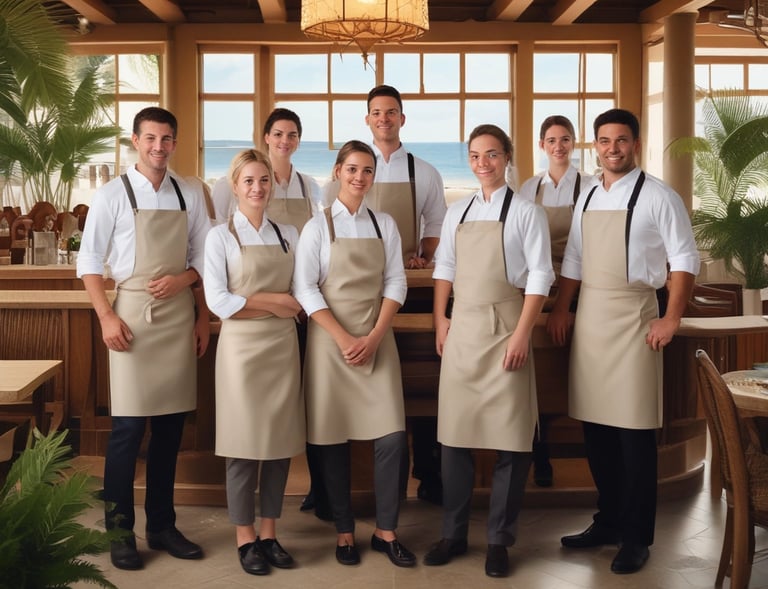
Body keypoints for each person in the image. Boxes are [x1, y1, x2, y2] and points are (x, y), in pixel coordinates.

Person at [547, 108, 699, 575]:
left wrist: (670, 318)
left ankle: (637, 537)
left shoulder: (659, 196)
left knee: (633, 434)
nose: (612, 148)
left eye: (621, 140)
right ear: (595, 145)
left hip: (636, 317)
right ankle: (608, 520)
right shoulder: (589, 195)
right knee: (595, 430)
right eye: (605, 141)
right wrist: (561, 307)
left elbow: (684, 259)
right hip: (592, 316)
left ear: (635, 143)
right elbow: (574, 257)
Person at [77, 106, 211, 571]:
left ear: (175, 142)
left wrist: (196, 308)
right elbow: (90, 263)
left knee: (171, 428)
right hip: (130, 315)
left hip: (178, 316)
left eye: (167, 139)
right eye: (151, 139)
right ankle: (119, 530)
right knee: (128, 430)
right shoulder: (111, 195)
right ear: (135, 141)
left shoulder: (188, 193)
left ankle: (162, 525)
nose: (159, 147)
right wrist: (106, 317)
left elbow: (204, 259)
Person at [424, 124, 554, 578]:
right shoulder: (457, 212)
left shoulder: (525, 212)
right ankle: (454, 534)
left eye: (492, 154)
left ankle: (499, 539)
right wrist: (441, 318)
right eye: (476, 155)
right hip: (464, 328)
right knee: (454, 437)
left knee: (512, 441)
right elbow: (445, 267)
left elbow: (539, 276)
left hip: (507, 327)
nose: (484, 163)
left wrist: (522, 334)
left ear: (507, 158)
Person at [294, 140, 415, 568]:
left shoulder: (385, 224)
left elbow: (395, 283)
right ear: (337, 172)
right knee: (332, 439)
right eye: (352, 170)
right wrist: (344, 338)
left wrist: (376, 334)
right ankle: (344, 532)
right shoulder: (317, 226)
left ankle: (386, 531)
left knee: (391, 439)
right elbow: (304, 287)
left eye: (366, 170)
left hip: (378, 341)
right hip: (331, 345)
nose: (360, 177)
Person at [203, 149, 305, 576]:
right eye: (248, 181)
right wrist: (273, 302)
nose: (257, 188)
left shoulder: (289, 235)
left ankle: (269, 532)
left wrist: (277, 305)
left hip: (282, 349)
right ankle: (244, 537)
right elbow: (218, 303)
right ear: (234, 185)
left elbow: (300, 299)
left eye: (264, 180)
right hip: (241, 353)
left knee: (279, 446)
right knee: (242, 448)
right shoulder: (219, 237)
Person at [364, 84, 448, 505]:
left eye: (391, 112)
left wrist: (422, 257)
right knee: (378, 379)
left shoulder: (425, 171)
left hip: (411, 291)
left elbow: (436, 226)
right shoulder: (352, 166)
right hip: (363, 294)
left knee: (423, 379)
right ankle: (376, 477)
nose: (384, 119)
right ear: (368, 120)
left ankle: (428, 469)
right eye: (377, 113)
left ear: (402, 118)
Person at [518, 115, 596, 487]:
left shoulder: (592, 186)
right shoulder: (529, 189)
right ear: (541, 145)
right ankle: (540, 449)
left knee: (572, 369)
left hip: (580, 287)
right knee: (538, 373)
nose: (559, 146)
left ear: (574, 143)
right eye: (551, 140)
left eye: (565, 139)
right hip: (538, 287)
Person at [210, 108, 322, 227]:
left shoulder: (309, 186)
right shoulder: (229, 184)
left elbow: (315, 232)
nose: (285, 140)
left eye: (292, 135)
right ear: (267, 138)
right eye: (278, 134)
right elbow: (219, 231)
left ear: (298, 141)